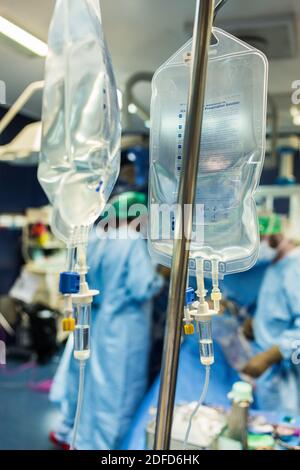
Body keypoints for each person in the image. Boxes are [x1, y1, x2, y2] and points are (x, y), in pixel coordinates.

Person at [49, 191, 163, 449]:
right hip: (123, 329)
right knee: (118, 391)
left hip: (96, 321)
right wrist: (160, 277)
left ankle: (78, 436)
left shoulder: (95, 238)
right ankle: (105, 447)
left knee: (93, 386)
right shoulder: (131, 241)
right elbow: (141, 286)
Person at [241, 214, 300, 414]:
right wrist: (256, 323)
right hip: (270, 373)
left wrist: (271, 355)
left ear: (274, 236)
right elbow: (277, 308)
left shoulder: (295, 268)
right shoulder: (277, 265)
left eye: (258, 237)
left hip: (285, 372)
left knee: (286, 431)